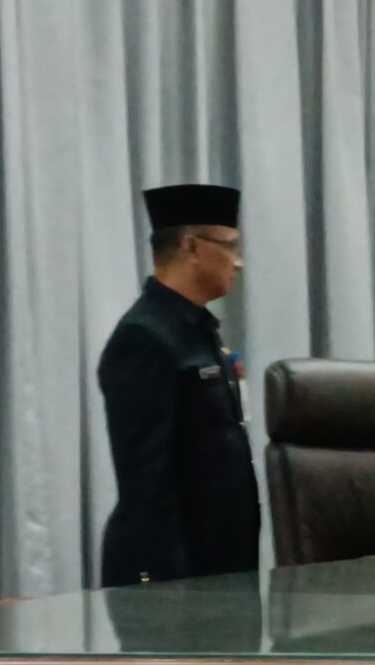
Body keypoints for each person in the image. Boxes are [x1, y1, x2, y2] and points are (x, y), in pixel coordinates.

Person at [97, 183, 260, 586]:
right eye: (230, 246)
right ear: (192, 247)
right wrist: (176, 594)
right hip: (173, 579)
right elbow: (147, 486)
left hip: (220, 569)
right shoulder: (144, 338)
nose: (238, 262)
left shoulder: (198, 330)